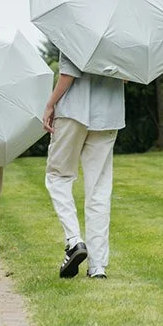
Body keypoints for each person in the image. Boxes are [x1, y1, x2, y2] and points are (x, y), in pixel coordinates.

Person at [41, 53, 124, 280]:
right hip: (108, 113)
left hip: (72, 112)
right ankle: (97, 267)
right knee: (98, 190)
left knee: (58, 176)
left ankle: (74, 240)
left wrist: (50, 104)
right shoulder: (123, 32)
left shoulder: (76, 24)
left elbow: (68, 73)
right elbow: (126, 77)